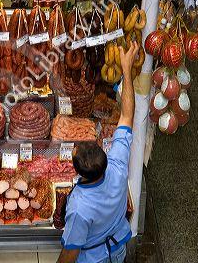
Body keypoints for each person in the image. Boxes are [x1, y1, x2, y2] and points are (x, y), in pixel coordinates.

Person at [57, 41, 140, 263]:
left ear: (79, 172)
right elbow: (127, 116)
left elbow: (70, 253)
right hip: (118, 249)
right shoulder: (117, 165)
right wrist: (127, 71)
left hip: (95, 258)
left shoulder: (79, 207)